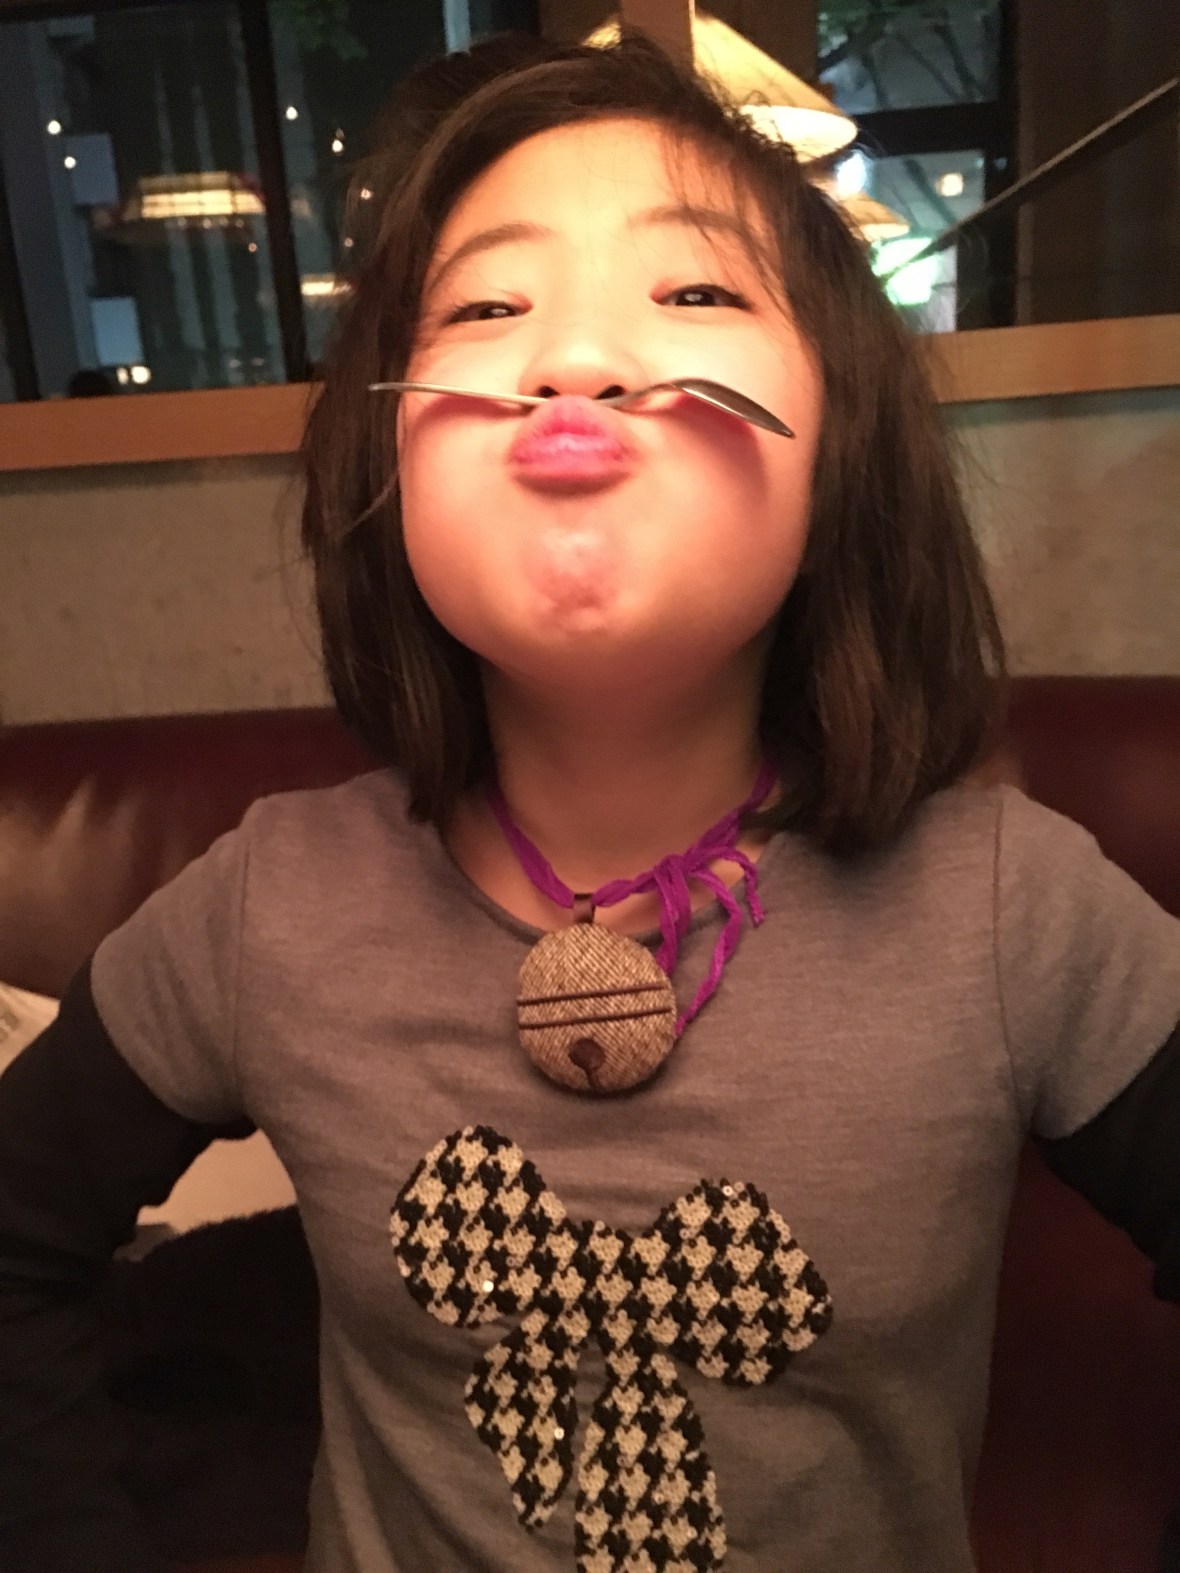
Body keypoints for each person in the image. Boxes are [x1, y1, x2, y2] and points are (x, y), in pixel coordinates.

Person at [1, 30, 1178, 1573]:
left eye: (694, 292)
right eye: (488, 307)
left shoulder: (1017, 909)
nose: (574, 360)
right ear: (384, 458)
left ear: (842, 440)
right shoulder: (267, 903)